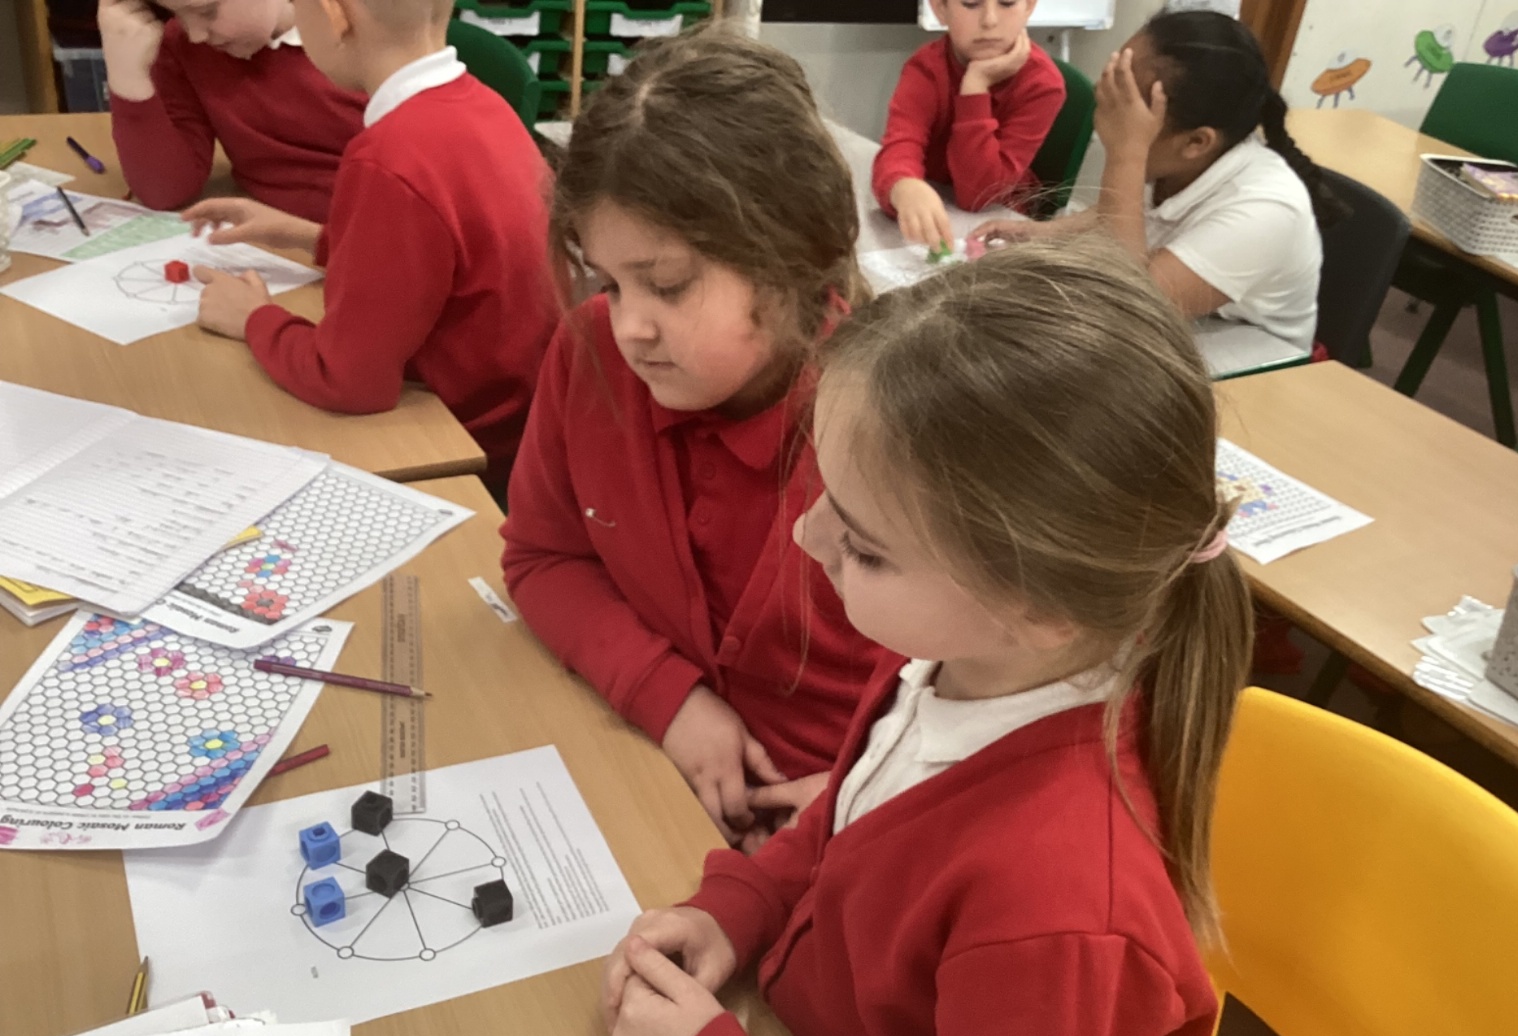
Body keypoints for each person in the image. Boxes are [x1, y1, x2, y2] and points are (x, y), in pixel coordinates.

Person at [600, 237, 1254, 1036]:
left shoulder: (1063, 914)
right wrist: (745, 908)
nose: (807, 535)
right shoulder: (956, 660)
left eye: (865, 548)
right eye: (826, 496)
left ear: (1039, 605)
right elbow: (851, 820)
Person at [500, 29, 887, 847]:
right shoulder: (590, 352)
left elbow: (1000, 702)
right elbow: (542, 555)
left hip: (847, 828)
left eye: (668, 285)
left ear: (790, 262)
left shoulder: (897, 424)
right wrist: (668, 697)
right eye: (611, 283)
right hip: (647, 779)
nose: (629, 326)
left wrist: (870, 796)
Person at [181, 0, 557, 495]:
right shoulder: (485, 106)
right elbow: (445, 254)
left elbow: (348, 381)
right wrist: (308, 236)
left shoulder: (389, 157)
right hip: (526, 426)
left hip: (466, 450)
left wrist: (253, 318)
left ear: (333, 17)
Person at [977, 9, 1339, 351]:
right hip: (1180, 321)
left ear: (1197, 142)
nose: (1107, 116)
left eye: (1128, 106)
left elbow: (1129, 307)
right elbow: (1126, 212)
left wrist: (1126, 152)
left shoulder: (1266, 210)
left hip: (1259, 362)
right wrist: (1041, 233)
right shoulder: (1177, 161)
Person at [99, 0, 364, 220]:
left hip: (362, 234)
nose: (196, 35)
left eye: (207, 11)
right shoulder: (183, 45)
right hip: (273, 238)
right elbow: (164, 191)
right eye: (176, 14)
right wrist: (127, 75)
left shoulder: (370, 33)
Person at [872, 0, 1065, 250]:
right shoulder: (926, 68)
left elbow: (978, 195)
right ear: (940, 9)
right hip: (938, 203)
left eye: (1007, 3)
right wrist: (904, 186)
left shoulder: (1042, 85)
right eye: (971, 3)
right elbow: (900, 146)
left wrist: (975, 86)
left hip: (997, 220)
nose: (990, 20)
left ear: (1028, 7)